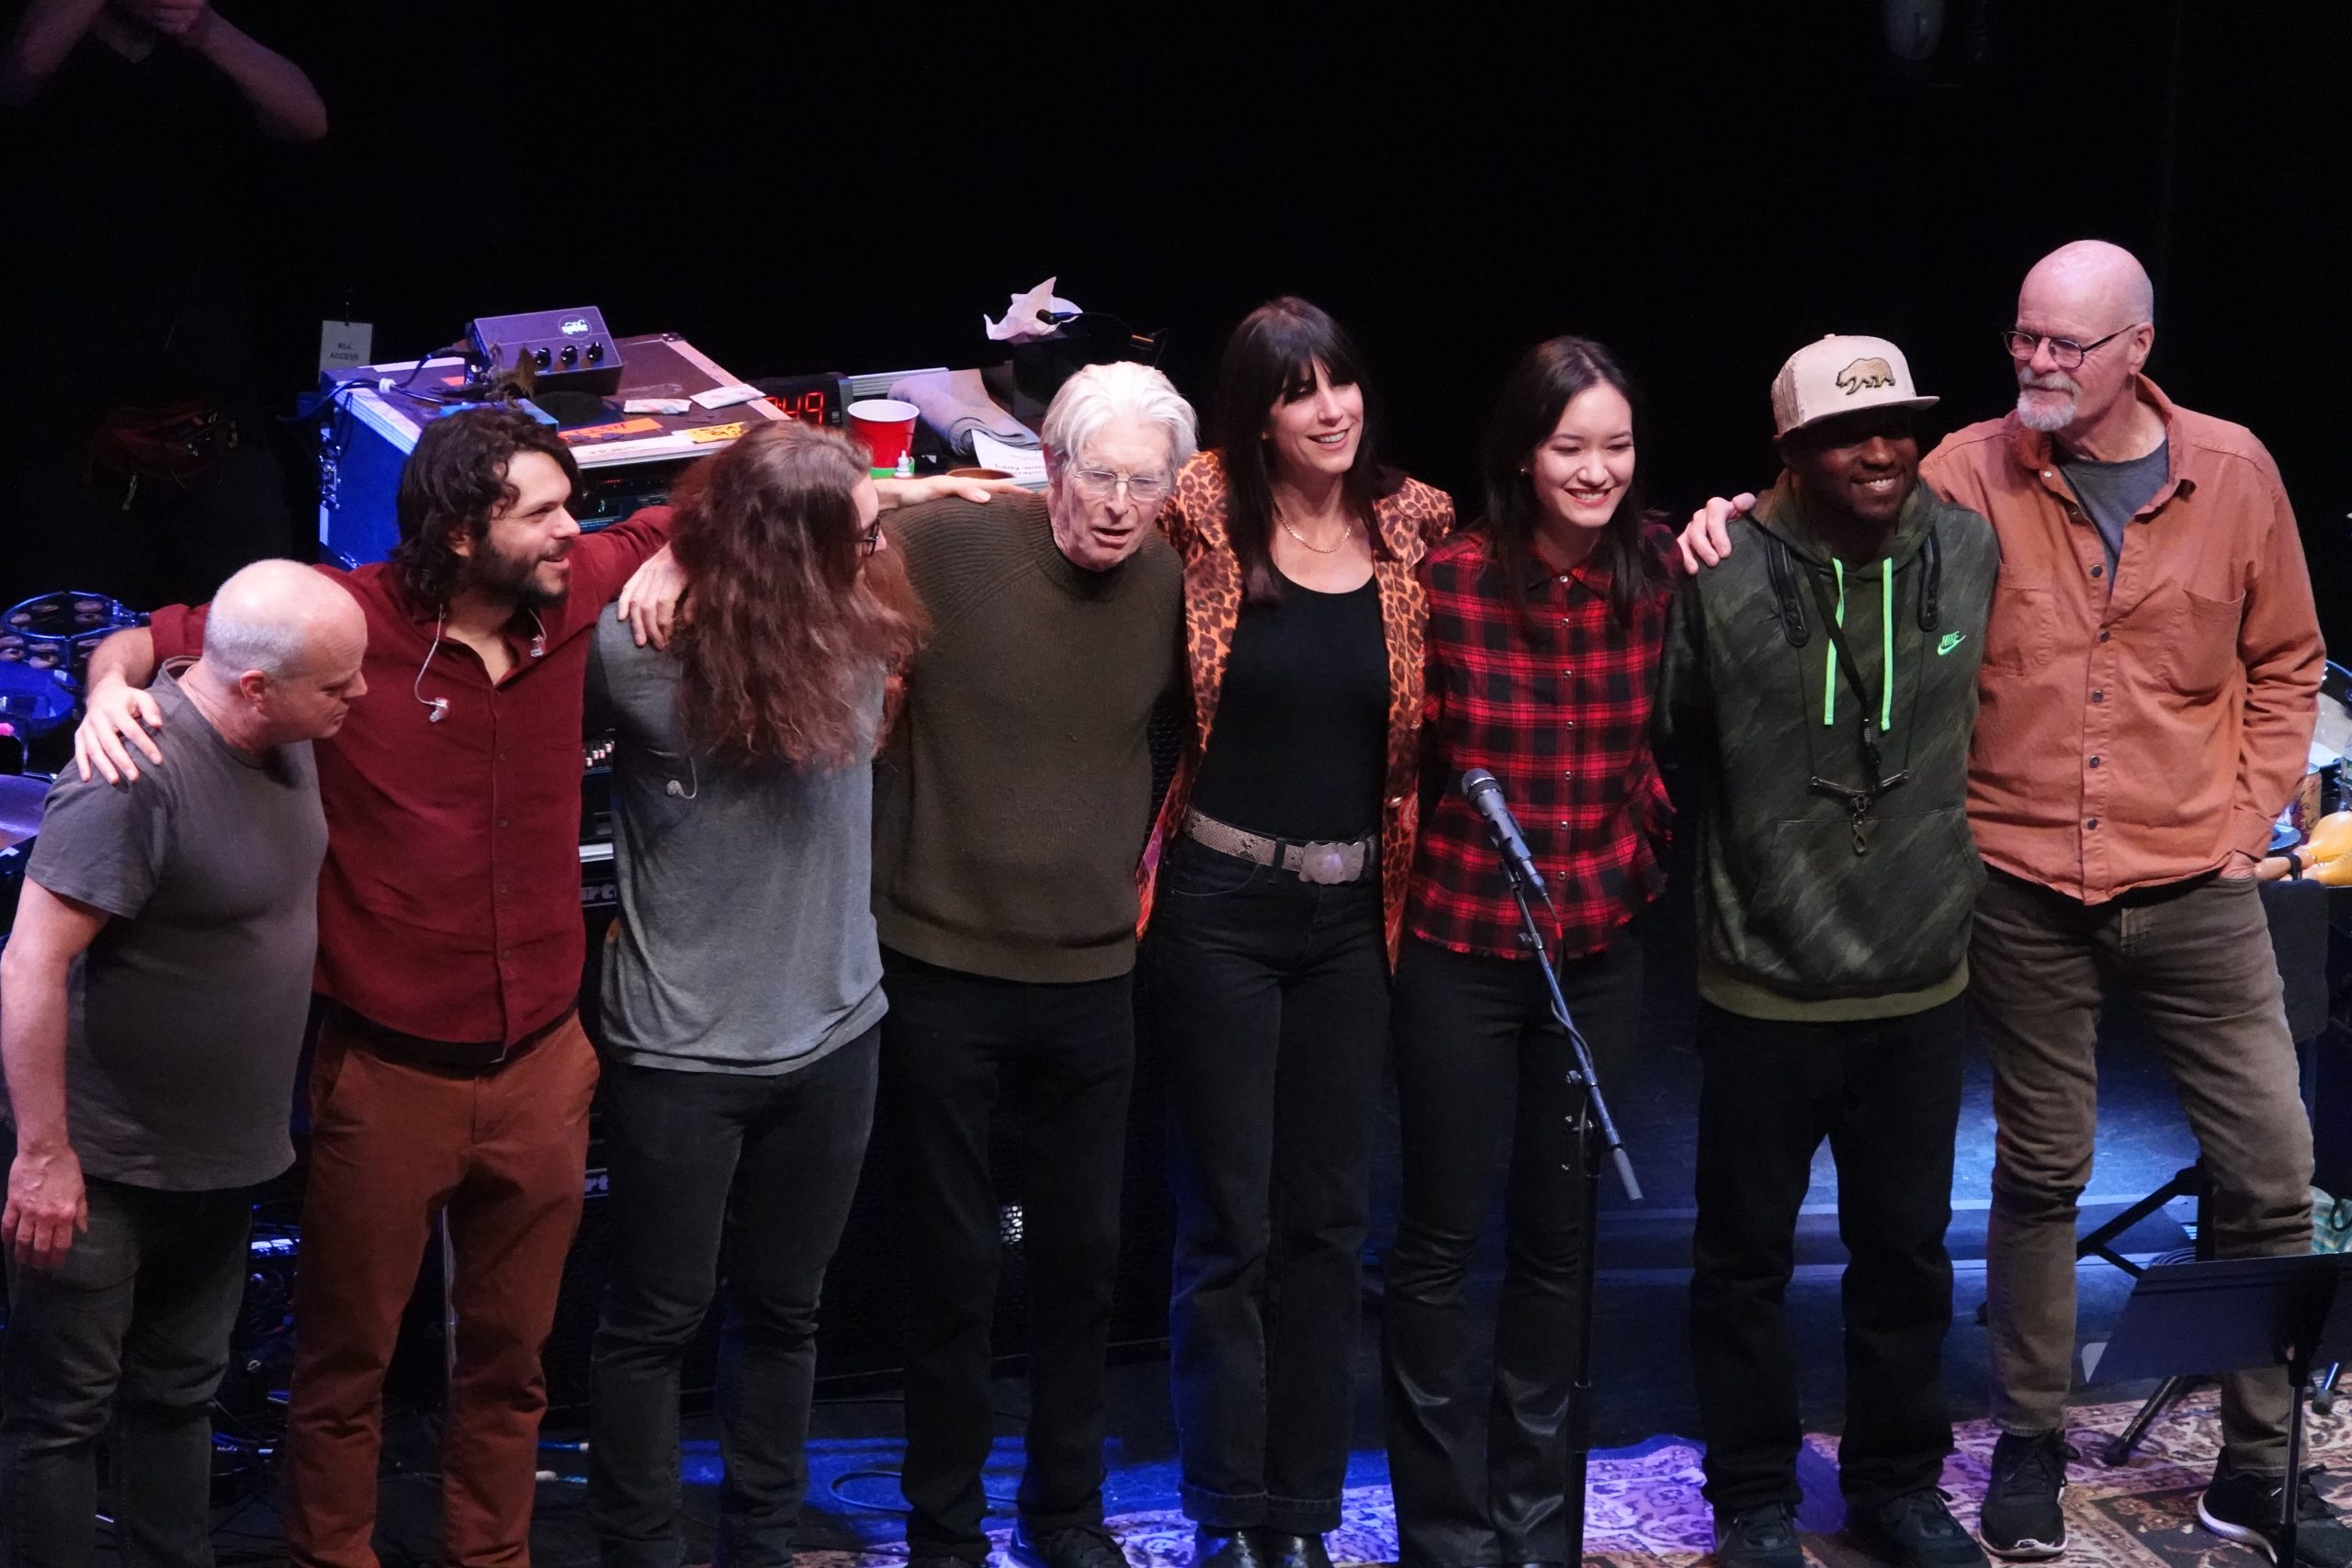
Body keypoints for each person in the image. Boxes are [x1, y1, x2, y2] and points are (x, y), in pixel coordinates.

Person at [71, 409, 1011, 1567]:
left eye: (576, 505)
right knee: (345, 1362)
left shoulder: (575, 597)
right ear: (466, 535)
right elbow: (150, 636)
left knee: (513, 1364)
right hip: (388, 1064)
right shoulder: (346, 622)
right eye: (546, 512)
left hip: (543, 1063)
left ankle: (494, 1557)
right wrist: (110, 692)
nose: (581, 529)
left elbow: (726, 512)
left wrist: (899, 499)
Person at [1676, 244, 2340, 1567]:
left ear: (2137, 349)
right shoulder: (1963, 469)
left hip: (2194, 874)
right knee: (2038, 1170)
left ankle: (2260, 1469)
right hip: (2024, 877)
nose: (2036, 363)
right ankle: (2028, 1436)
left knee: (2274, 1172)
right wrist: (1717, 517)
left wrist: (2242, 806)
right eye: (2023, 338)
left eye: (2067, 346)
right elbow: (1823, 497)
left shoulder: (2240, 472)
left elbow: (2289, 660)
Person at [1658, 336, 1997, 1568]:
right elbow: (1666, 726)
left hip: (1919, 975)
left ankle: (1897, 1483)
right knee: (1741, 1259)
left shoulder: (1968, 548)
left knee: (1906, 1253)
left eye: (1900, 424)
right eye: (1850, 432)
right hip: (1764, 979)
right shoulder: (1720, 567)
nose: (1882, 447)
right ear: (1789, 450)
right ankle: (1752, 1495)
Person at [1140, 297, 1453, 1568]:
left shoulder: (1415, 525)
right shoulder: (1196, 511)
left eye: (1343, 383)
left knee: (1328, 1222)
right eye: (1298, 390)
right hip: (1220, 902)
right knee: (1230, 1220)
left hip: (1355, 909)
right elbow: (1036, 503)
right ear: (1256, 416)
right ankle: (1228, 1508)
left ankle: (1302, 1513)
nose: (1332, 409)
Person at [583, 422, 923, 1567]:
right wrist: (670, 554)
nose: (878, 550)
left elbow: (945, 498)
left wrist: (684, 546)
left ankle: (764, 1542)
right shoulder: (637, 656)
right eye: (858, 539)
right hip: (682, 1049)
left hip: (834, 1030)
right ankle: (641, 1549)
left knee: (786, 1309)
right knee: (656, 1317)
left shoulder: (861, 619)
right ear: (789, 556)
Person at [873, 360, 1194, 1568]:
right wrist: (912, 478)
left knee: (1081, 1264)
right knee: (952, 1269)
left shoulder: (1174, 578)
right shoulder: (954, 542)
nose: (1118, 502)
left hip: (1093, 975)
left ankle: (1066, 1511)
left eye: (1144, 482)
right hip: (940, 959)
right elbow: (810, 500)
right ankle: (943, 1525)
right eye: (1098, 473)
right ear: (1050, 465)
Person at [0, 560, 361, 1568]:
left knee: (178, 1397)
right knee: (63, 1418)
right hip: (100, 1173)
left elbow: (153, 636)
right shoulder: (133, 778)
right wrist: (42, 1156)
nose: (360, 697)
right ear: (257, 687)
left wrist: (111, 670)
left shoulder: (286, 733)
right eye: (338, 686)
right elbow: (28, 965)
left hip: (224, 1161)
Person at [1380, 335, 1669, 1568]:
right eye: (1571, 446)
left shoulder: (1660, 571)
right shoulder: (1447, 582)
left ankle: (1536, 1522)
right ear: (1522, 454)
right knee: (1441, 1241)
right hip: (1461, 944)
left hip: (1595, 947)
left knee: (1562, 1241)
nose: (1596, 469)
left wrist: (1637, 842)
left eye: (1615, 445)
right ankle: (1445, 1530)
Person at [0, 0, 329, 609]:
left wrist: (202, 27)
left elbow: (307, 118)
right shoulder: (47, 39)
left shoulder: (202, 44)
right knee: (66, 664)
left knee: (267, 634)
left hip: (216, 430)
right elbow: (19, 75)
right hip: (70, 445)